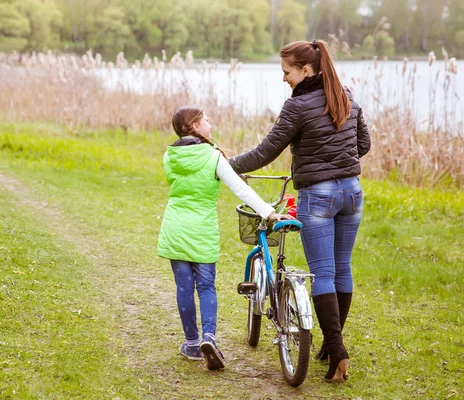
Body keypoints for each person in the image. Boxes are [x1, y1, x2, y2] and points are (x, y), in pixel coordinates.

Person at [228, 40, 371, 382]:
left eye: (286, 72)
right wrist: (337, 162)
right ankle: (329, 346)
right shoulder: (345, 94)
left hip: (318, 196)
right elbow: (362, 144)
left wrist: (226, 164)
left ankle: (337, 352)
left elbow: (266, 152)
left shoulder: (298, 106)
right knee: (341, 269)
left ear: (305, 71)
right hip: (352, 192)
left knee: (322, 272)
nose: (283, 79)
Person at [157, 105, 292, 371]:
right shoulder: (213, 157)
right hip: (201, 231)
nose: (211, 125)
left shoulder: (169, 156)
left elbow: (175, 182)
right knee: (206, 286)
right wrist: (268, 211)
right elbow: (240, 189)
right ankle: (209, 337)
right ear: (195, 127)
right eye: (206, 121)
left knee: (184, 288)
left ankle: (192, 344)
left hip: (174, 227)